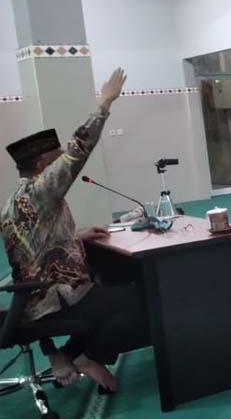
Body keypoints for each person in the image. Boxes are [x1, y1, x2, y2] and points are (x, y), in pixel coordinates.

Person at [1, 68, 149, 392]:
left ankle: (71, 354)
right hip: (57, 297)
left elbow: (32, 246)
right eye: (54, 161)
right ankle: (85, 355)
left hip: (36, 298)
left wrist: (75, 236)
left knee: (108, 287)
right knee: (145, 298)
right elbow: (77, 151)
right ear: (42, 166)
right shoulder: (41, 191)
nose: (60, 165)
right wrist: (104, 104)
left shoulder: (17, 199)